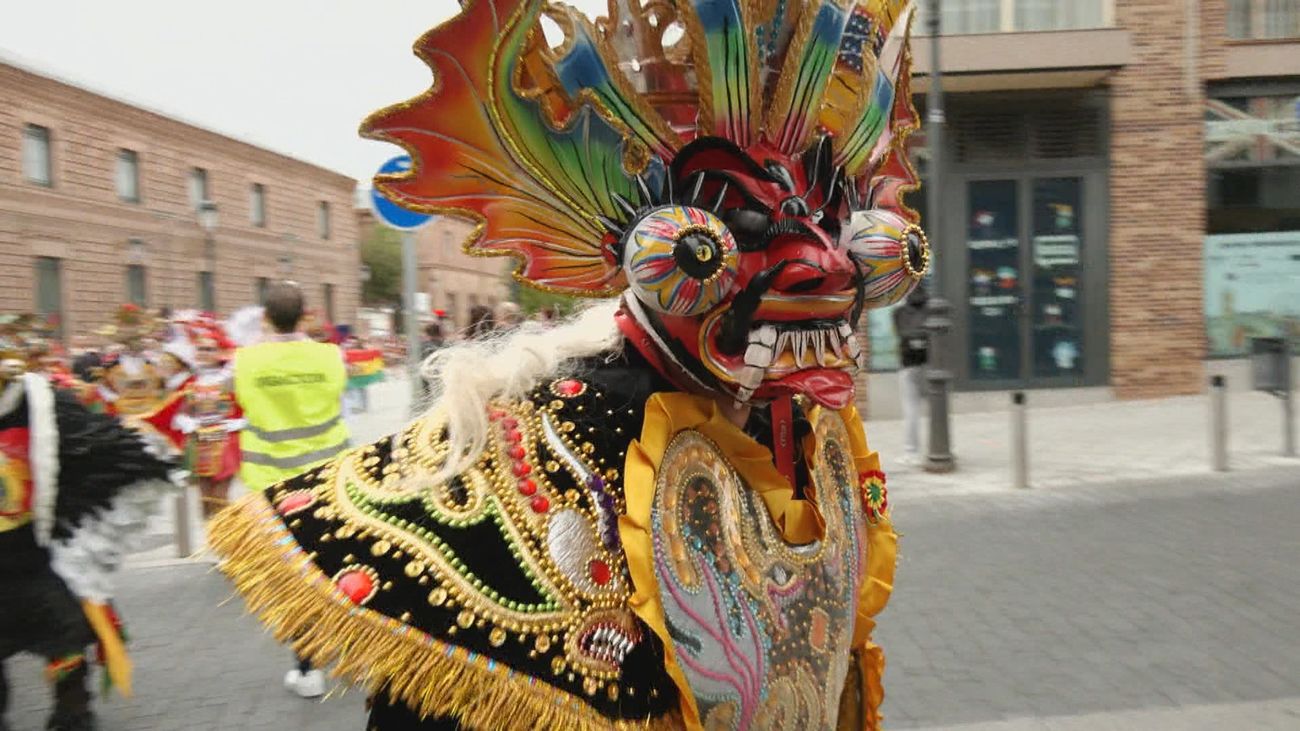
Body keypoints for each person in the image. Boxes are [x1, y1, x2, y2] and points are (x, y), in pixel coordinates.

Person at [211, 2, 927, 729]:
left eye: (842, 227)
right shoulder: (517, 469)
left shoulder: (812, 439)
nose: (827, 265)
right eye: (732, 229)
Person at [0, 319, 181, 731]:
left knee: (65, 637)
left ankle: (72, 717)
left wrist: (143, 450)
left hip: (35, 555)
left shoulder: (41, 407)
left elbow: (94, 443)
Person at [230, 281, 350, 699]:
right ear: (306, 316)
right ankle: (353, 645)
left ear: (265, 317)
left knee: (293, 577)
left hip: (270, 488)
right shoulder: (329, 355)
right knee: (332, 565)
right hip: (326, 480)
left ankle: (308, 666)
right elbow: (337, 394)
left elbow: (243, 400)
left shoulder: (247, 361)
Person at [893, 285, 931, 464]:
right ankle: (939, 444)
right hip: (930, 364)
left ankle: (911, 452)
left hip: (908, 364)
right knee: (936, 407)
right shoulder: (931, 307)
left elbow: (900, 333)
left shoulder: (900, 310)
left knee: (911, 409)